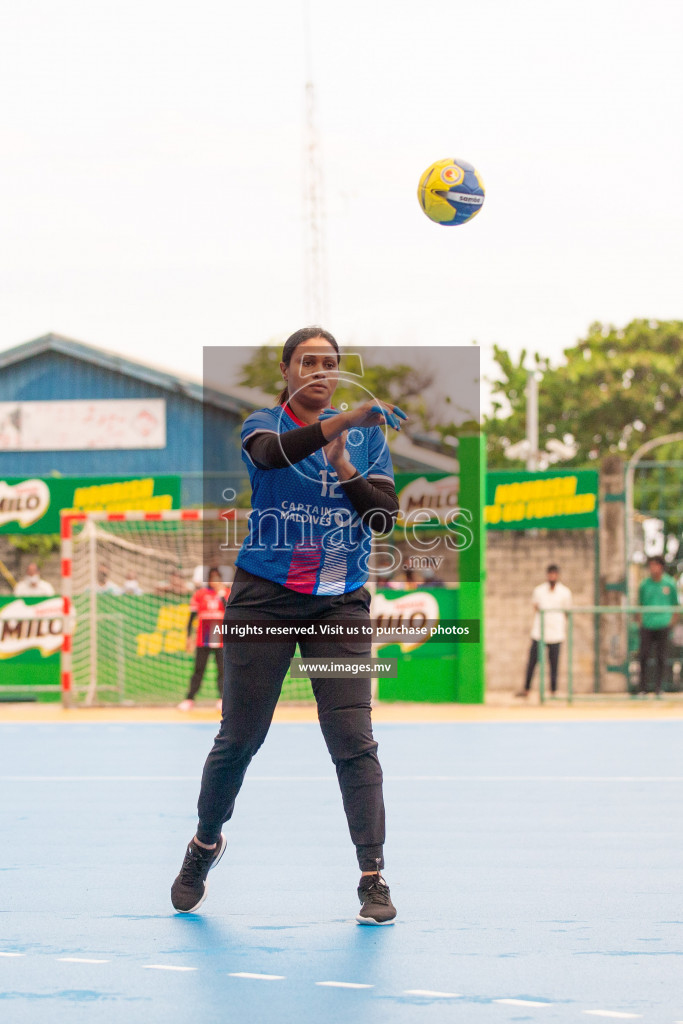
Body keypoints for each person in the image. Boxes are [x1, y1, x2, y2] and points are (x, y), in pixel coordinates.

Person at [171, 326, 406, 925]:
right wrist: (339, 423)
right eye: (309, 362)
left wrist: (348, 462)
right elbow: (275, 456)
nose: (321, 372)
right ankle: (204, 844)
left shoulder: (366, 438)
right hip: (265, 599)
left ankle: (372, 876)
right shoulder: (261, 424)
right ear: (287, 371)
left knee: (353, 740)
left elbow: (382, 515)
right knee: (240, 738)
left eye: (330, 363)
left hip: (339, 604)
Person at [516, 564, 572, 698]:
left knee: (554, 664)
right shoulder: (539, 591)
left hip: (556, 633)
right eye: (550, 574)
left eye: (554, 574)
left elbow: (567, 612)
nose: (552, 576)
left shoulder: (565, 592)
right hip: (539, 632)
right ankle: (526, 689)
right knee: (532, 662)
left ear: (557, 575)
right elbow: (535, 607)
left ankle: (553, 691)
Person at [177, 568, 228, 712]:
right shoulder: (200, 594)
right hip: (203, 638)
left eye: (217, 578)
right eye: (212, 578)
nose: (215, 581)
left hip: (220, 638)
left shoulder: (226, 593)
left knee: (222, 670)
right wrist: (188, 637)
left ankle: (222, 698)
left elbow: (230, 612)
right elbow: (191, 617)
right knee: (199, 669)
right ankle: (189, 699)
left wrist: (222, 595)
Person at [637, 555, 680, 697]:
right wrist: (641, 622)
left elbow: (675, 606)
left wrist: (670, 623)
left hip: (663, 625)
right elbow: (640, 605)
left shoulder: (670, 583)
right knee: (643, 656)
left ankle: (658, 688)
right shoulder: (644, 584)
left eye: (655, 565)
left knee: (661, 657)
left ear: (661, 567)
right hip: (647, 625)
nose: (652, 568)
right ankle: (643, 689)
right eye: (651, 565)